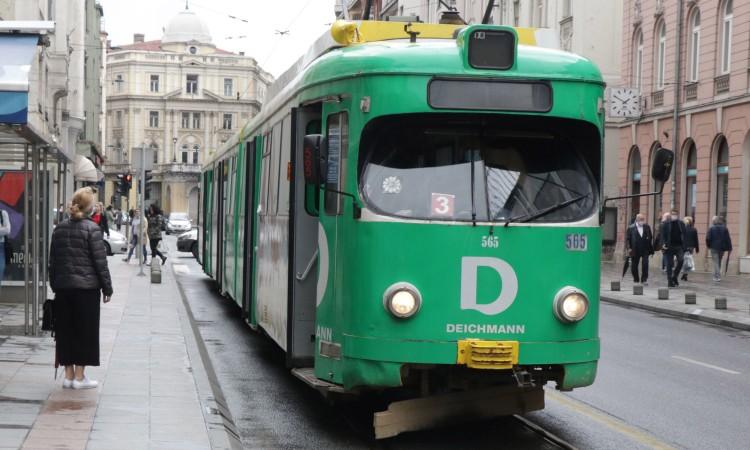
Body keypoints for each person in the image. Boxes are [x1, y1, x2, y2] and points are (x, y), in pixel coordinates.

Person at [49, 187, 113, 389]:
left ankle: (67, 376)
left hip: (63, 289)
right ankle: (79, 377)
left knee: (65, 330)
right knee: (85, 332)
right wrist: (107, 289)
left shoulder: (59, 229)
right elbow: (100, 263)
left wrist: (55, 284)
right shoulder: (92, 229)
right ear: (88, 207)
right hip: (86, 290)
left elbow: (53, 262)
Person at [659, 209, 686, 287]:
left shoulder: (681, 224)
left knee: (681, 260)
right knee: (669, 264)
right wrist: (663, 244)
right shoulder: (666, 224)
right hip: (669, 246)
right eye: (673, 214)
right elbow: (662, 235)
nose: (674, 216)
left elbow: (684, 234)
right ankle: (670, 281)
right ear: (670, 215)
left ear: (678, 215)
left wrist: (685, 246)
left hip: (679, 246)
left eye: (676, 214)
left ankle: (675, 276)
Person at [625, 213, 654, 285]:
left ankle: (644, 279)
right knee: (634, 265)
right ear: (637, 219)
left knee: (645, 264)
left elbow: (650, 236)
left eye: (643, 219)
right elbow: (627, 239)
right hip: (635, 249)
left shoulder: (647, 227)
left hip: (645, 248)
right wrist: (629, 248)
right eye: (641, 219)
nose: (642, 221)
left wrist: (648, 242)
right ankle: (636, 279)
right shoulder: (631, 228)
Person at [706, 216, 733, 282]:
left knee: (716, 262)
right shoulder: (725, 228)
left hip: (713, 247)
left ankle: (717, 276)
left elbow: (708, 238)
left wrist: (709, 245)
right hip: (722, 248)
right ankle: (716, 275)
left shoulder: (711, 228)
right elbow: (728, 239)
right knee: (719, 261)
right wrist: (730, 248)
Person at [681, 217, 699, 282]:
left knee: (683, 260)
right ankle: (685, 274)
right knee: (688, 260)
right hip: (691, 247)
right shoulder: (694, 229)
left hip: (683, 246)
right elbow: (696, 240)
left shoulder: (682, 229)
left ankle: (684, 273)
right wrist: (697, 248)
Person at [0, 207, 11, 298]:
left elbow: (7, 230)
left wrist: (3, 230)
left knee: (0, 271)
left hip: (1, 247)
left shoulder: (3, 213)